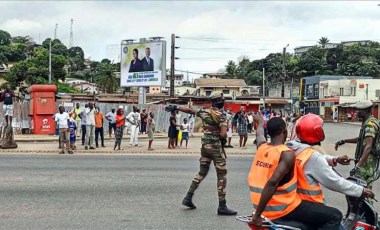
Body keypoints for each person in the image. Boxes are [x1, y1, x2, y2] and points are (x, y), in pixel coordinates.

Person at [249, 116, 342, 229]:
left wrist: (259, 122)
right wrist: (257, 215)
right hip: (283, 208)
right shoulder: (286, 154)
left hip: (264, 206)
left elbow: (259, 134)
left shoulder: (261, 147)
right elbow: (272, 183)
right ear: (285, 131)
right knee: (335, 216)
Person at [286, 114, 374, 227]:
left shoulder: (294, 148)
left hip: (295, 200)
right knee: (335, 216)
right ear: (316, 131)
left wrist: (335, 159)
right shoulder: (312, 156)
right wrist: (361, 190)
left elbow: (314, 160)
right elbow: (334, 182)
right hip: (308, 202)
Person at [171, 91, 237, 215]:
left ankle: (188, 197)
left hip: (205, 147)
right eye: (222, 99)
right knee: (222, 175)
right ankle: (222, 206)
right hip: (216, 148)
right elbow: (223, 134)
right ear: (219, 101)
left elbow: (191, 110)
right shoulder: (221, 115)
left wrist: (176, 107)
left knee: (202, 172)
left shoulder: (205, 112)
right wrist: (221, 137)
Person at [335, 101, 380, 188]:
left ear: (365, 111)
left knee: (363, 192)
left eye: (358, 110)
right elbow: (361, 139)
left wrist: (358, 166)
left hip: (366, 164)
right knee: (360, 192)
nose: (356, 112)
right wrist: (344, 141)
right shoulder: (367, 122)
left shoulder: (370, 125)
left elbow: (368, 146)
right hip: (364, 163)